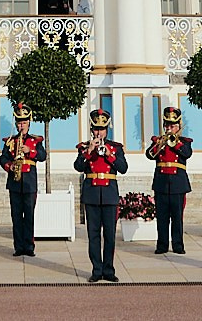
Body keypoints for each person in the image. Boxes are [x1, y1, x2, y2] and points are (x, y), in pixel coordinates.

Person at [75, 107, 126, 283]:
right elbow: (78, 166)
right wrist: (89, 151)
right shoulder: (84, 147)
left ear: (107, 129)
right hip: (92, 195)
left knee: (110, 235)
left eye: (102, 129)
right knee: (93, 234)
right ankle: (97, 270)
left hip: (110, 195)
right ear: (91, 129)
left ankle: (109, 269)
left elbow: (123, 168)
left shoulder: (116, 148)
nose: (99, 133)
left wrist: (110, 155)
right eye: (96, 129)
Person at [0, 103, 46, 257]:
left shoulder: (35, 141)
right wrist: (9, 166)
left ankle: (29, 246)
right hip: (14, 183)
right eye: (19, 123)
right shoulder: (10, 141)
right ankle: (18, 246)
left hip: (29, 183)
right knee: (16, 216)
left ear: (29, 123)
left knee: (29, 216)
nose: (21, 126)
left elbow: (43, 156)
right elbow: (3, 158)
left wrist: (30, 151)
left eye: (24, 123)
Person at [148, 105, 193, 254]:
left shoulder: (184, 142)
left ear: (178, 127)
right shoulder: (158, 140)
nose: (169, 128)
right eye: (167, 125)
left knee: (177, 217)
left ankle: (178, 245)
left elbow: (186, 154)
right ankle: (162, 245)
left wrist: (175, 143)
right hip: (161, 183)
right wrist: (160, 144)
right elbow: (149, 155)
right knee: (162, 217)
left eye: (172, 126)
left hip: (178, 184)